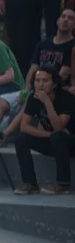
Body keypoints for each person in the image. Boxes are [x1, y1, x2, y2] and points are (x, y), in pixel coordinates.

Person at [13, 64, 75, 195]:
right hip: (53, 140)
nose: (40, 84)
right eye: (37, 81)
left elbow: (58, 127)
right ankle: (30, 184)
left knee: (57, 136)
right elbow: (24, 126)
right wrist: (48, 134)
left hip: (70, 142)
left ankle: (63, 184)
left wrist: (47, 102)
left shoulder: (66, 98)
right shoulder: (33, 98)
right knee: (21, 139)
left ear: (54, 84)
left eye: (45, 81)